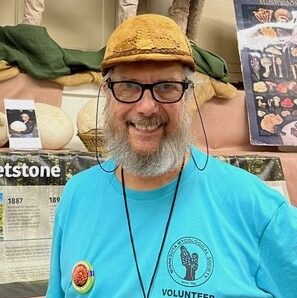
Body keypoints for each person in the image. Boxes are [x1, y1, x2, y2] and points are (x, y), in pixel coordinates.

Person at [46, 14, 297, 298]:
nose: (147, 107)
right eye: (128, 85)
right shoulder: (76, 197)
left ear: (188, 95)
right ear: (107, 94)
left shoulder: (256, 207)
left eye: (166, 86)